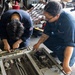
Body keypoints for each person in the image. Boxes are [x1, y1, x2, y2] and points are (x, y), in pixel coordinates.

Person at [33, 1, 75, 74]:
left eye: (48, 18)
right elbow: (46, 34)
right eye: (45, 16)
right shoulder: (50, 19)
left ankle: (69, 63)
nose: (46, 19)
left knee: (67, 63)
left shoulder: (68, 22)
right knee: (46, 40)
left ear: (57, 15)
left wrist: (65, 64)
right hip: (60, 36)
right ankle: (57, 52)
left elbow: (70, 44)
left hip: (71, 41)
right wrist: (38, 43)